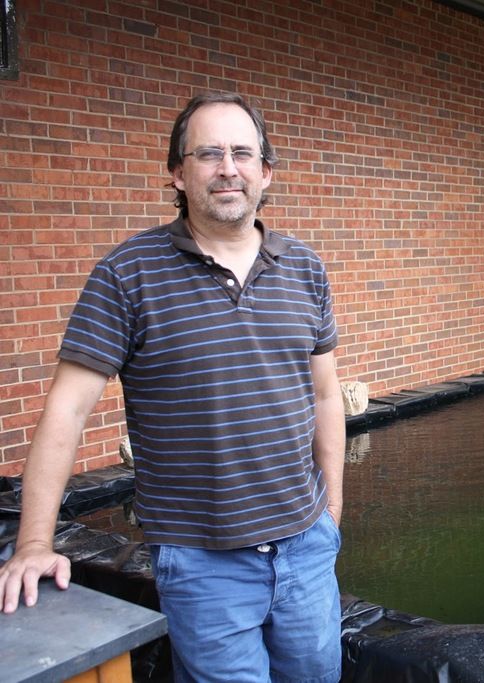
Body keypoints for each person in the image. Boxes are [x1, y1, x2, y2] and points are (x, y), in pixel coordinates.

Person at [0, 92, 346, 682]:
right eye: (208, 153)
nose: (227, 168)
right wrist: (34, 542)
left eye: (243, 153)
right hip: (202, 564)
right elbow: (67, 411)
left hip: (306, 549)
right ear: (177, 173)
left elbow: (324, 395)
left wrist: (332, 510)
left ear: (266, 171)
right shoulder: (126, 275)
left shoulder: (305, 269)